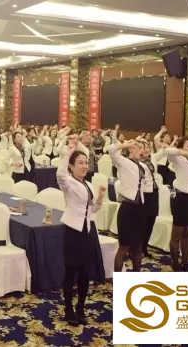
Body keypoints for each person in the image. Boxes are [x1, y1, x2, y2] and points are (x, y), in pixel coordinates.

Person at [56, 135, 105, 326]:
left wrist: (100, 198)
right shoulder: (68, 182)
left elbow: (92, 209)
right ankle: (68, 308)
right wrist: (68, 152)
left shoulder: (89, 184)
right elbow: (60, 175)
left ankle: (81, 308)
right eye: (80, 163)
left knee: (85, 273)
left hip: (87, 231)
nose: (84, 166)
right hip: (72, 230)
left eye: (86, 163)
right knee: (71, 272)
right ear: (71, 166)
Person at [109, 140, 147, 272]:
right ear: (131, 149)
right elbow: (111, 149)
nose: (141, 151)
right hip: (128, 208)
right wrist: (125, 145)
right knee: (124, 246)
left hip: (140, 208)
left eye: (143, 148)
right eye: (138, 147)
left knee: (138, 246)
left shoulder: (142, 166)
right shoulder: (123, 162)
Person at [165, 136, 188, 272]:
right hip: (181, 199)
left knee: (187, 233)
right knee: (177, 234)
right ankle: (175, 262)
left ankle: (186, 263)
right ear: (182, 148)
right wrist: (183, 153)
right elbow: (167, 150)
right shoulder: (178, 159)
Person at [139, 140, 165, 258]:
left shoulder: (153, 158)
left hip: (154, 192)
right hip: (144, 193)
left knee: (151, 220)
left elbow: (163, 152)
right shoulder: (137, 163)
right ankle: (138, 247)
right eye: (143, 148)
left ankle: (144, 246)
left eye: (147, 147)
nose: (145, 150)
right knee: (142, 221)